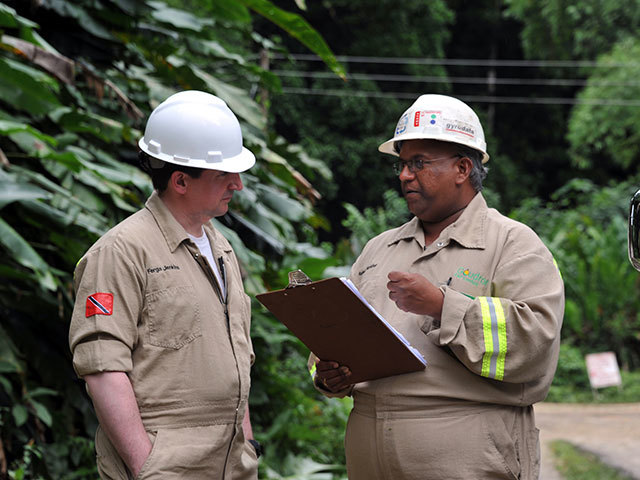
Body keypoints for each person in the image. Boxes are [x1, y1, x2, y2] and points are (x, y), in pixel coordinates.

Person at [310, 94, 564, 480]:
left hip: (469, 458)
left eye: (418, 163)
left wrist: (443, 306)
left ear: (463, 168)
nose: (404, 175)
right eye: (401, 164)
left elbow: (536, 343)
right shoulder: (380, 248)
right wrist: (328, 372)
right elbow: (339, 333)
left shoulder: (513, 244)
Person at [69, 90, 261, 479]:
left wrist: (248, 448)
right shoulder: (120, 252)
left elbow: (236, 361)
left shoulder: (221, 248)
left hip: (231, 468)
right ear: (180, 181)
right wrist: (149, 467)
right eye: (224, 173)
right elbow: (103, 369)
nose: (237, 185)